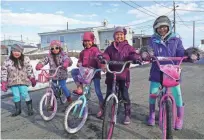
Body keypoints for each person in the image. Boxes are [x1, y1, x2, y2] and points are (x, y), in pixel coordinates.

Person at [144, 15, 200, 130]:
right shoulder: (152, 40)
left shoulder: (176, 40)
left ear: (168, 27)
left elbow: (180, 52)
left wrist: (189, 54)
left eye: (164, 27)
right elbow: (149, 50)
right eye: (159, 27)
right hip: (157, 71)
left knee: (177, 95)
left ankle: (179, 117)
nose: (162, 29)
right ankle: (152, 114)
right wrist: (147, 53)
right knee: (153, 93)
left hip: (172, 72)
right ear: (156, 29)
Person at [98, 26, 142, 125]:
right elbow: (106, 55)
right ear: (114, 36)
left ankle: (127, 114)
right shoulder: (110, 48)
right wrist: (103, 59)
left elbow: (132, 54)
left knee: (125, 95)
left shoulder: (128, 47)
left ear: (124, 36)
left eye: (121, 34)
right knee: (109, 93)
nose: (119, 36)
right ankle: (105, 111)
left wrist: (135, 58)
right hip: (111, 74)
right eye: (117, 35)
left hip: (123, 74)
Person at [71, 32, 104, 118]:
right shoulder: (83, 52)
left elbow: (99, 57)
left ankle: (102, 107)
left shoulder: (95, 50)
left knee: (97, 91)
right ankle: (80, 88)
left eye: (89, 41)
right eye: (85, 41)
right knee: (74, 72)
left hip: (95, 73)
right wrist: (79, 63)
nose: (87, 43)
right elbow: (80, 60)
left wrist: (102, 65)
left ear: (93, 41)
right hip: (85, 73)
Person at [1, 44, 36, 116]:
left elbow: (29, 69)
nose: (16, 53)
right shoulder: (7, 61)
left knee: (24, 94)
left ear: (21, 52)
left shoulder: (25, 59)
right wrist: (4, 82)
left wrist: (32, 78)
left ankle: (30, 109)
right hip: (12, 82)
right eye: (14, 51)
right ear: (11, 51)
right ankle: (18, 110)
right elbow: (3, 72)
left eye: (18, 51)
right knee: (16, 96)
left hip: (23, 81)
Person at [36, 40, 73, 105]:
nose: (54, 50)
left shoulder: (63, 54)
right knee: (53, 88)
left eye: (56, 48)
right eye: (52, 48)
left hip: (62, 74)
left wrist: (66, 62)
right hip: (53, 74)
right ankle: (52, 102)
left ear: (59, 48)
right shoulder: (49, 56)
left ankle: (69, 99)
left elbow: (68, 59)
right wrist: (40, 64)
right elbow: (44, 60)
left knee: (63, 86)